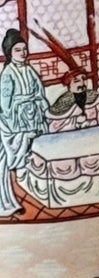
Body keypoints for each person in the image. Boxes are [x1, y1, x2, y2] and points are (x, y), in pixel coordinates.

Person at [0, 30, 51, 217]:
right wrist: (20, 120)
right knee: (5, 165)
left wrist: (42, 107)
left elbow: (40, 94)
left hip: (32, 117)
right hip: (13, 124)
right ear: (9, 53)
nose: (22, 53)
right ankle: (7, 204)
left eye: (24, 49)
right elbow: (5, 107)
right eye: (17, 50)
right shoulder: (7, 74)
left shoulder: (29, 70)